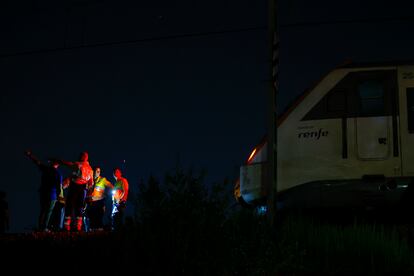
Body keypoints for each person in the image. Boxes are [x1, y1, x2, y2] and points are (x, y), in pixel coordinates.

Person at [25, 150, 62, 231]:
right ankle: (44, 227)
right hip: (52, 194)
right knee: (49, 211)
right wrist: (59, 195)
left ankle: (40, 227)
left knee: (42, 210)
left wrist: (30, 155)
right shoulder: (58, 174)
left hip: (43, 192)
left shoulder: (46, 169)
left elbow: (37, 162)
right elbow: (59, 186)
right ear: (58, 164)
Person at [58, 151, 93, 232]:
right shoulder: (88, 168)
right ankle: (75, 226)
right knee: (77, 206)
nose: (82, 157)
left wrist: (58, 161)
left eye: (83, 156)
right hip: (80, 188)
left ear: (85, 157)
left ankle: (71, 226)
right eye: (82, 155)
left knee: (73, 206)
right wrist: (89, 195)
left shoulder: (80, 165)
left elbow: (67, 163)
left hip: (77, 187)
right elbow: (90, 183)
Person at [85, 166, 113, 231]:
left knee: (99, 217)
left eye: (99, 171)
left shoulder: (103, 179)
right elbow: (86, 190)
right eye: (96, 171)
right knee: (91, 217)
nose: (97, 172)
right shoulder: (89, 180)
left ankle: (100, 231)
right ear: (93, 171)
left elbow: (111, 186)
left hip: (99, 202)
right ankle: (92, 231)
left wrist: (109, 193)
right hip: (91, 202)